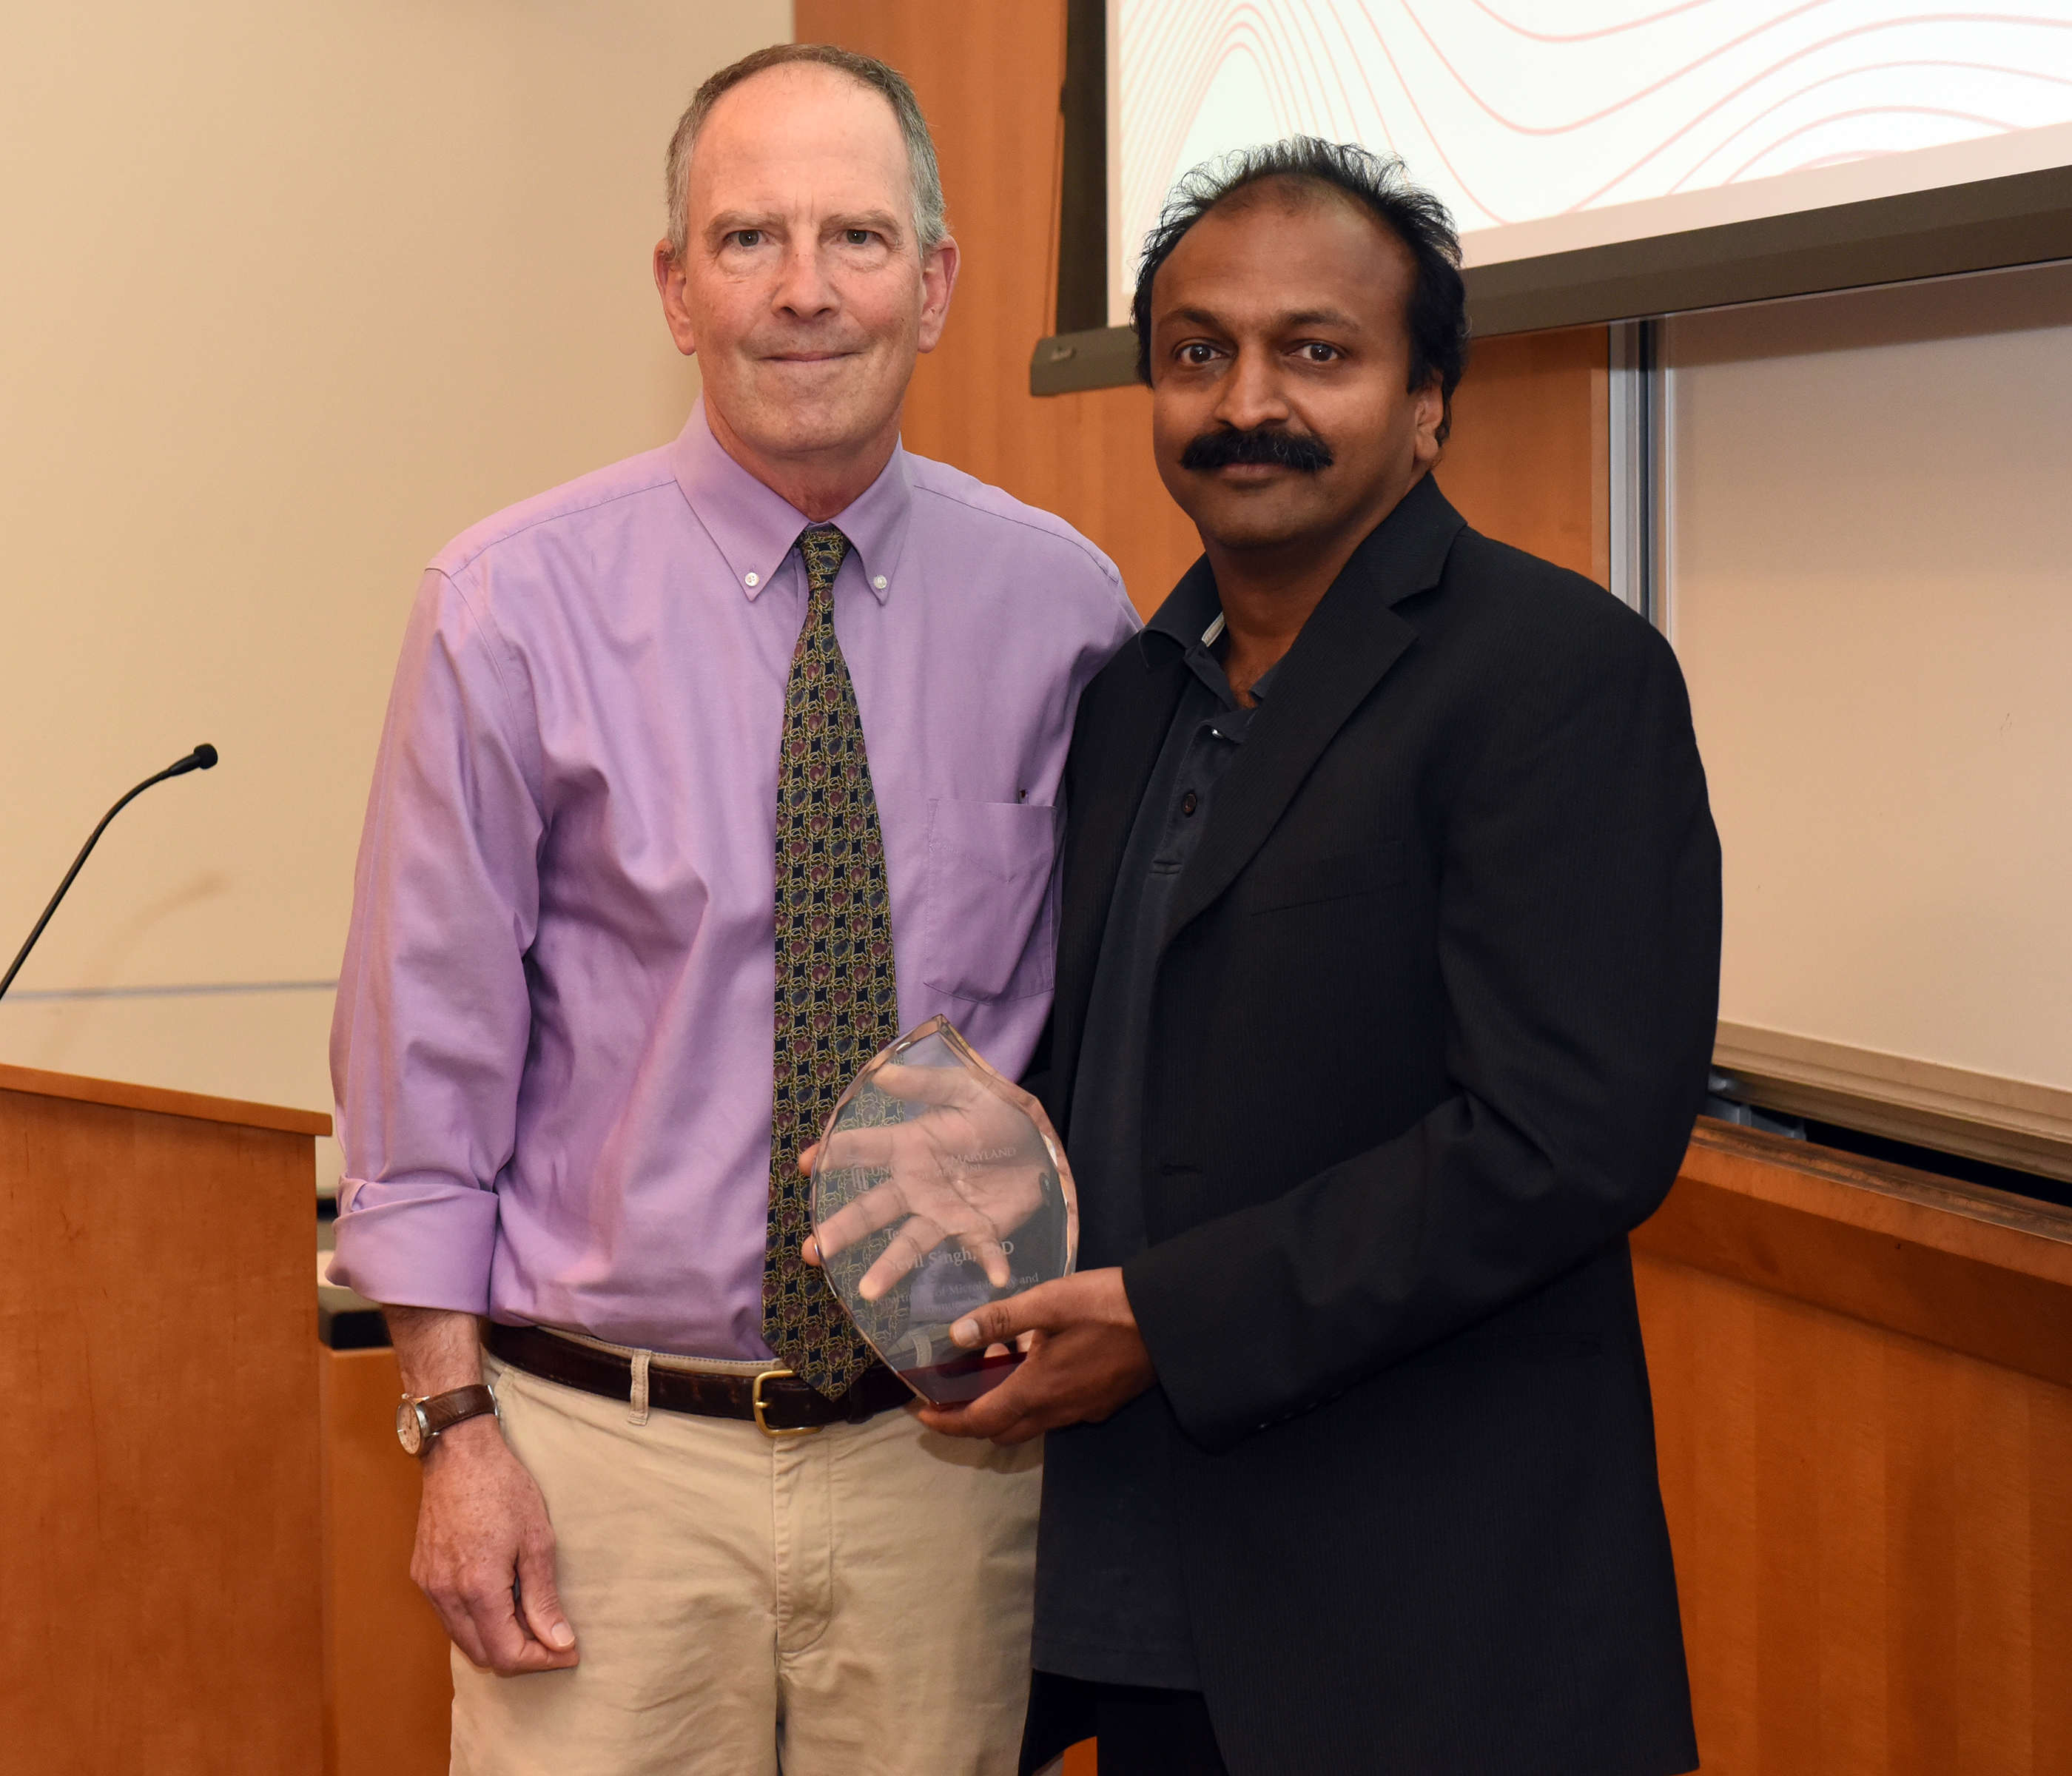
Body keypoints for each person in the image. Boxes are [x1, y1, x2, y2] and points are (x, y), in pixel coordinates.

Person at [326, 43, 1137, 1776]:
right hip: (599, 1463)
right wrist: (453, 1426)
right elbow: (425, 1060)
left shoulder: (1070, 613)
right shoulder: (507, 607)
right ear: (676, 289)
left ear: (935, 287)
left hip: (949, 1463)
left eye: (857, 237)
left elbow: (1118, 1028)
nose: (803, 289)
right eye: (749, 238)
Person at [915, 141, 1721, 1776]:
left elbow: (1568, 1139)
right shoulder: (1131, 696)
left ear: (1428, 404)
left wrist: (1171, 1319)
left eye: (1317, 351)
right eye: (1197, 351)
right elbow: (1140, 1068)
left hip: (1429, 1630)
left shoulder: (1560, 674)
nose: (1246, 401)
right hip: (1143, 1592)